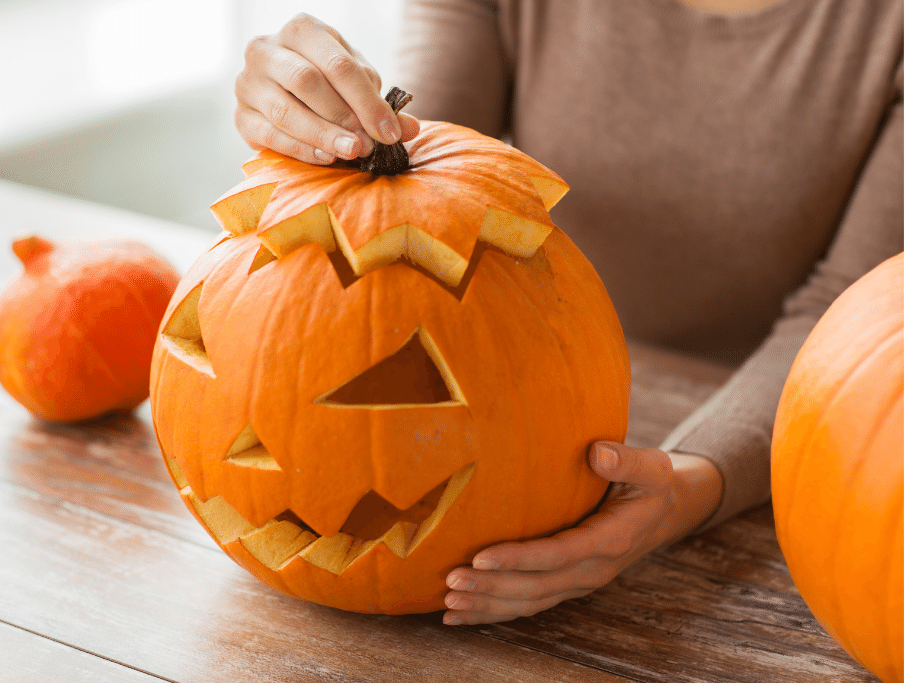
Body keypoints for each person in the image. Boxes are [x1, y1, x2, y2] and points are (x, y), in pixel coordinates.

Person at [233, 0, 903, 625]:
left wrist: (689, 486)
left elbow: (852, 310)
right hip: (507, 401)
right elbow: (419, 169)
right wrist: (330, 125)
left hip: (791, 452)